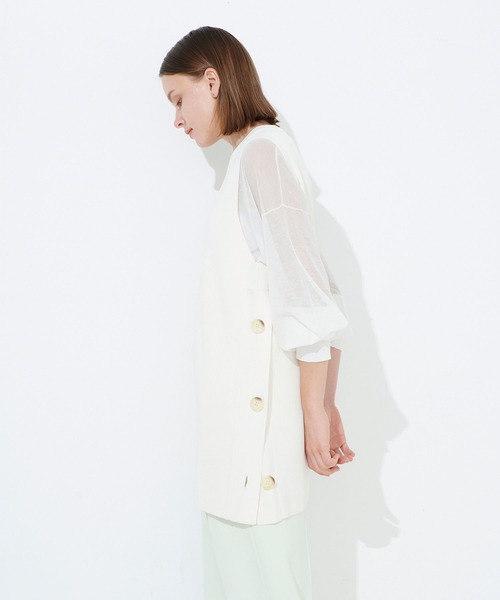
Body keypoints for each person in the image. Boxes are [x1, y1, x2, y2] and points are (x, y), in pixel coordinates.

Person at [159, 26, 355, 600]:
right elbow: (322, 291)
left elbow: (309, 298)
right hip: (235, 459)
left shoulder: (263, 154)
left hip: (254, 462)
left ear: (212, 81)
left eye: (178, 99)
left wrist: (316, 412)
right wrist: (324, 404)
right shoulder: (253, 160)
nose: (177, 120)